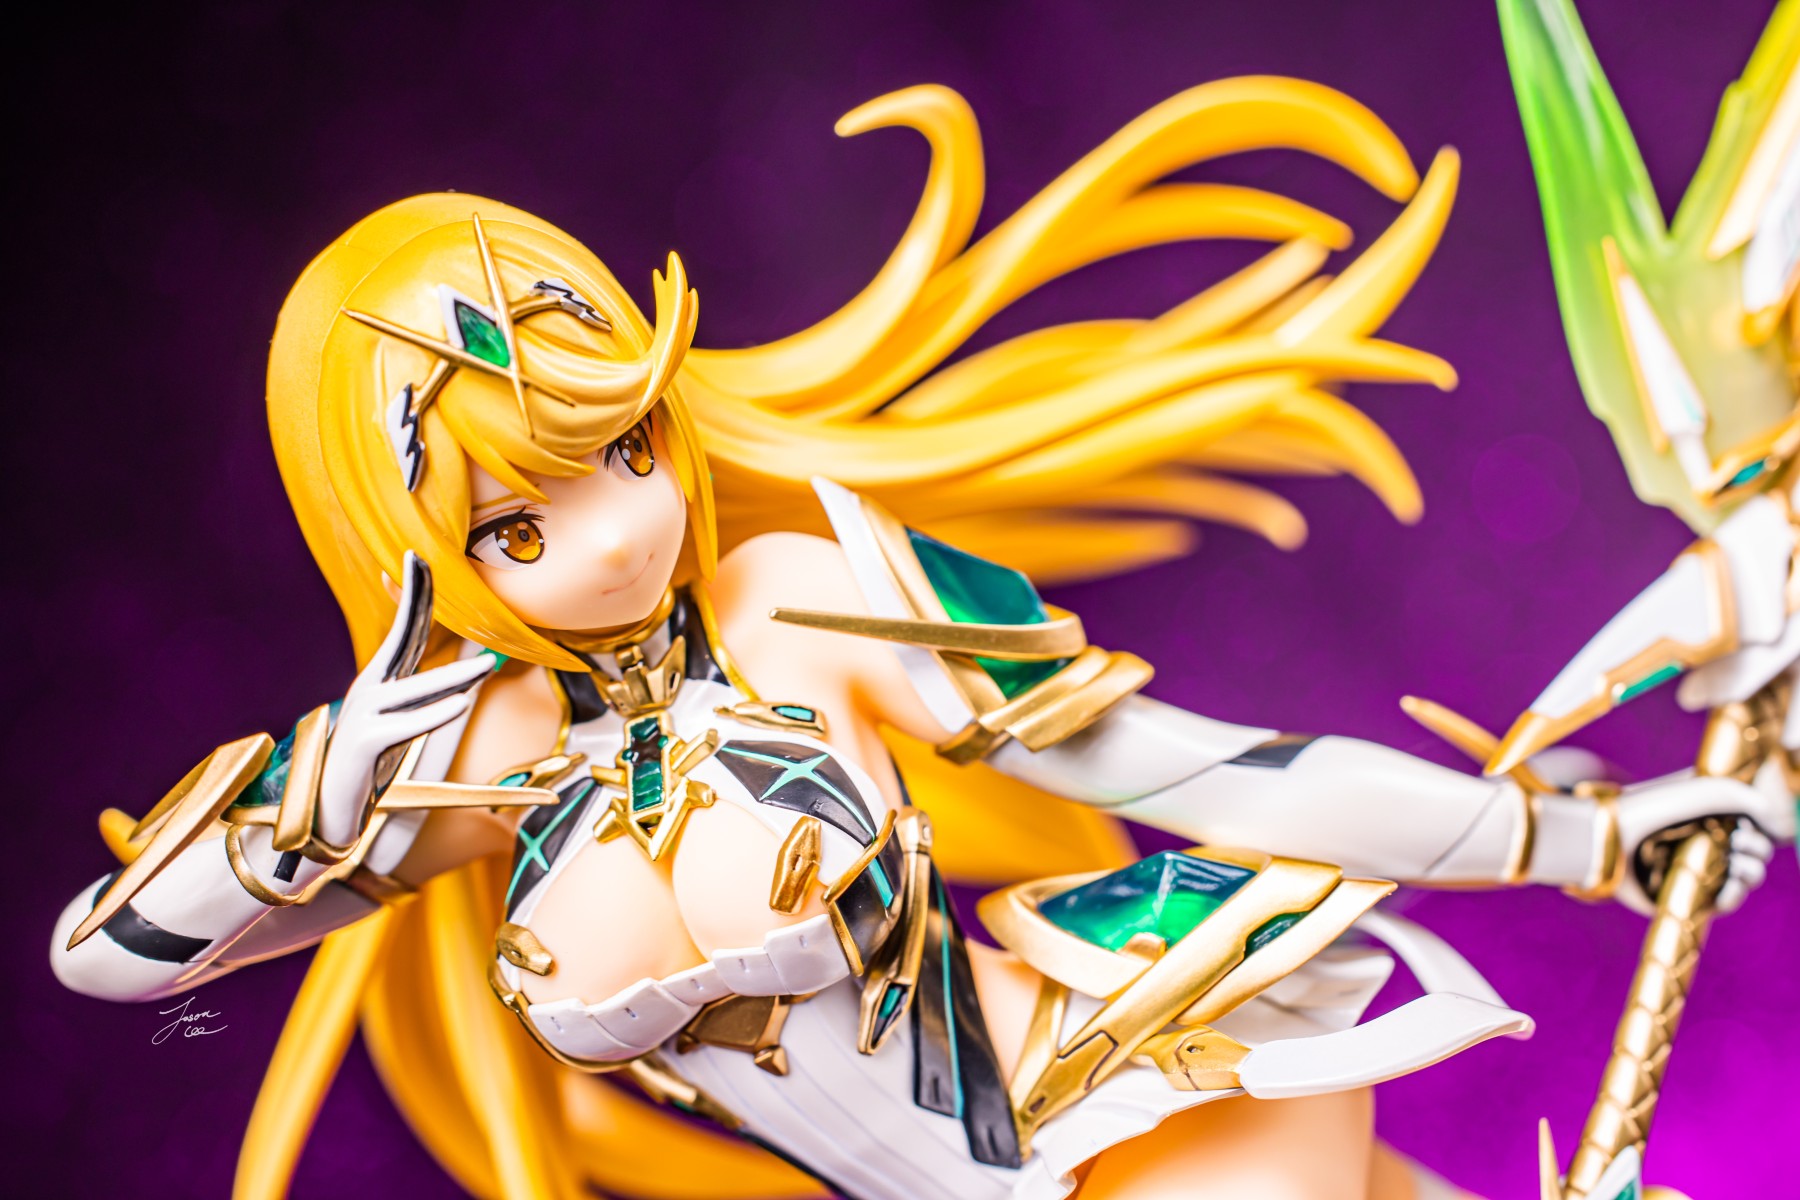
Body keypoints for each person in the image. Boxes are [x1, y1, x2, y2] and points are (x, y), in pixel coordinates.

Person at [50, 79, 1779, 1200]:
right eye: (517, 524)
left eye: (631, 447)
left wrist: (1580, 839)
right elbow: (109, 962)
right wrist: (318, 801)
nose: (622, 531)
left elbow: (1201, 772)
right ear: (416, 555)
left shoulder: (806, 596)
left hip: (1118, 1105)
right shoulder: (466, 771)